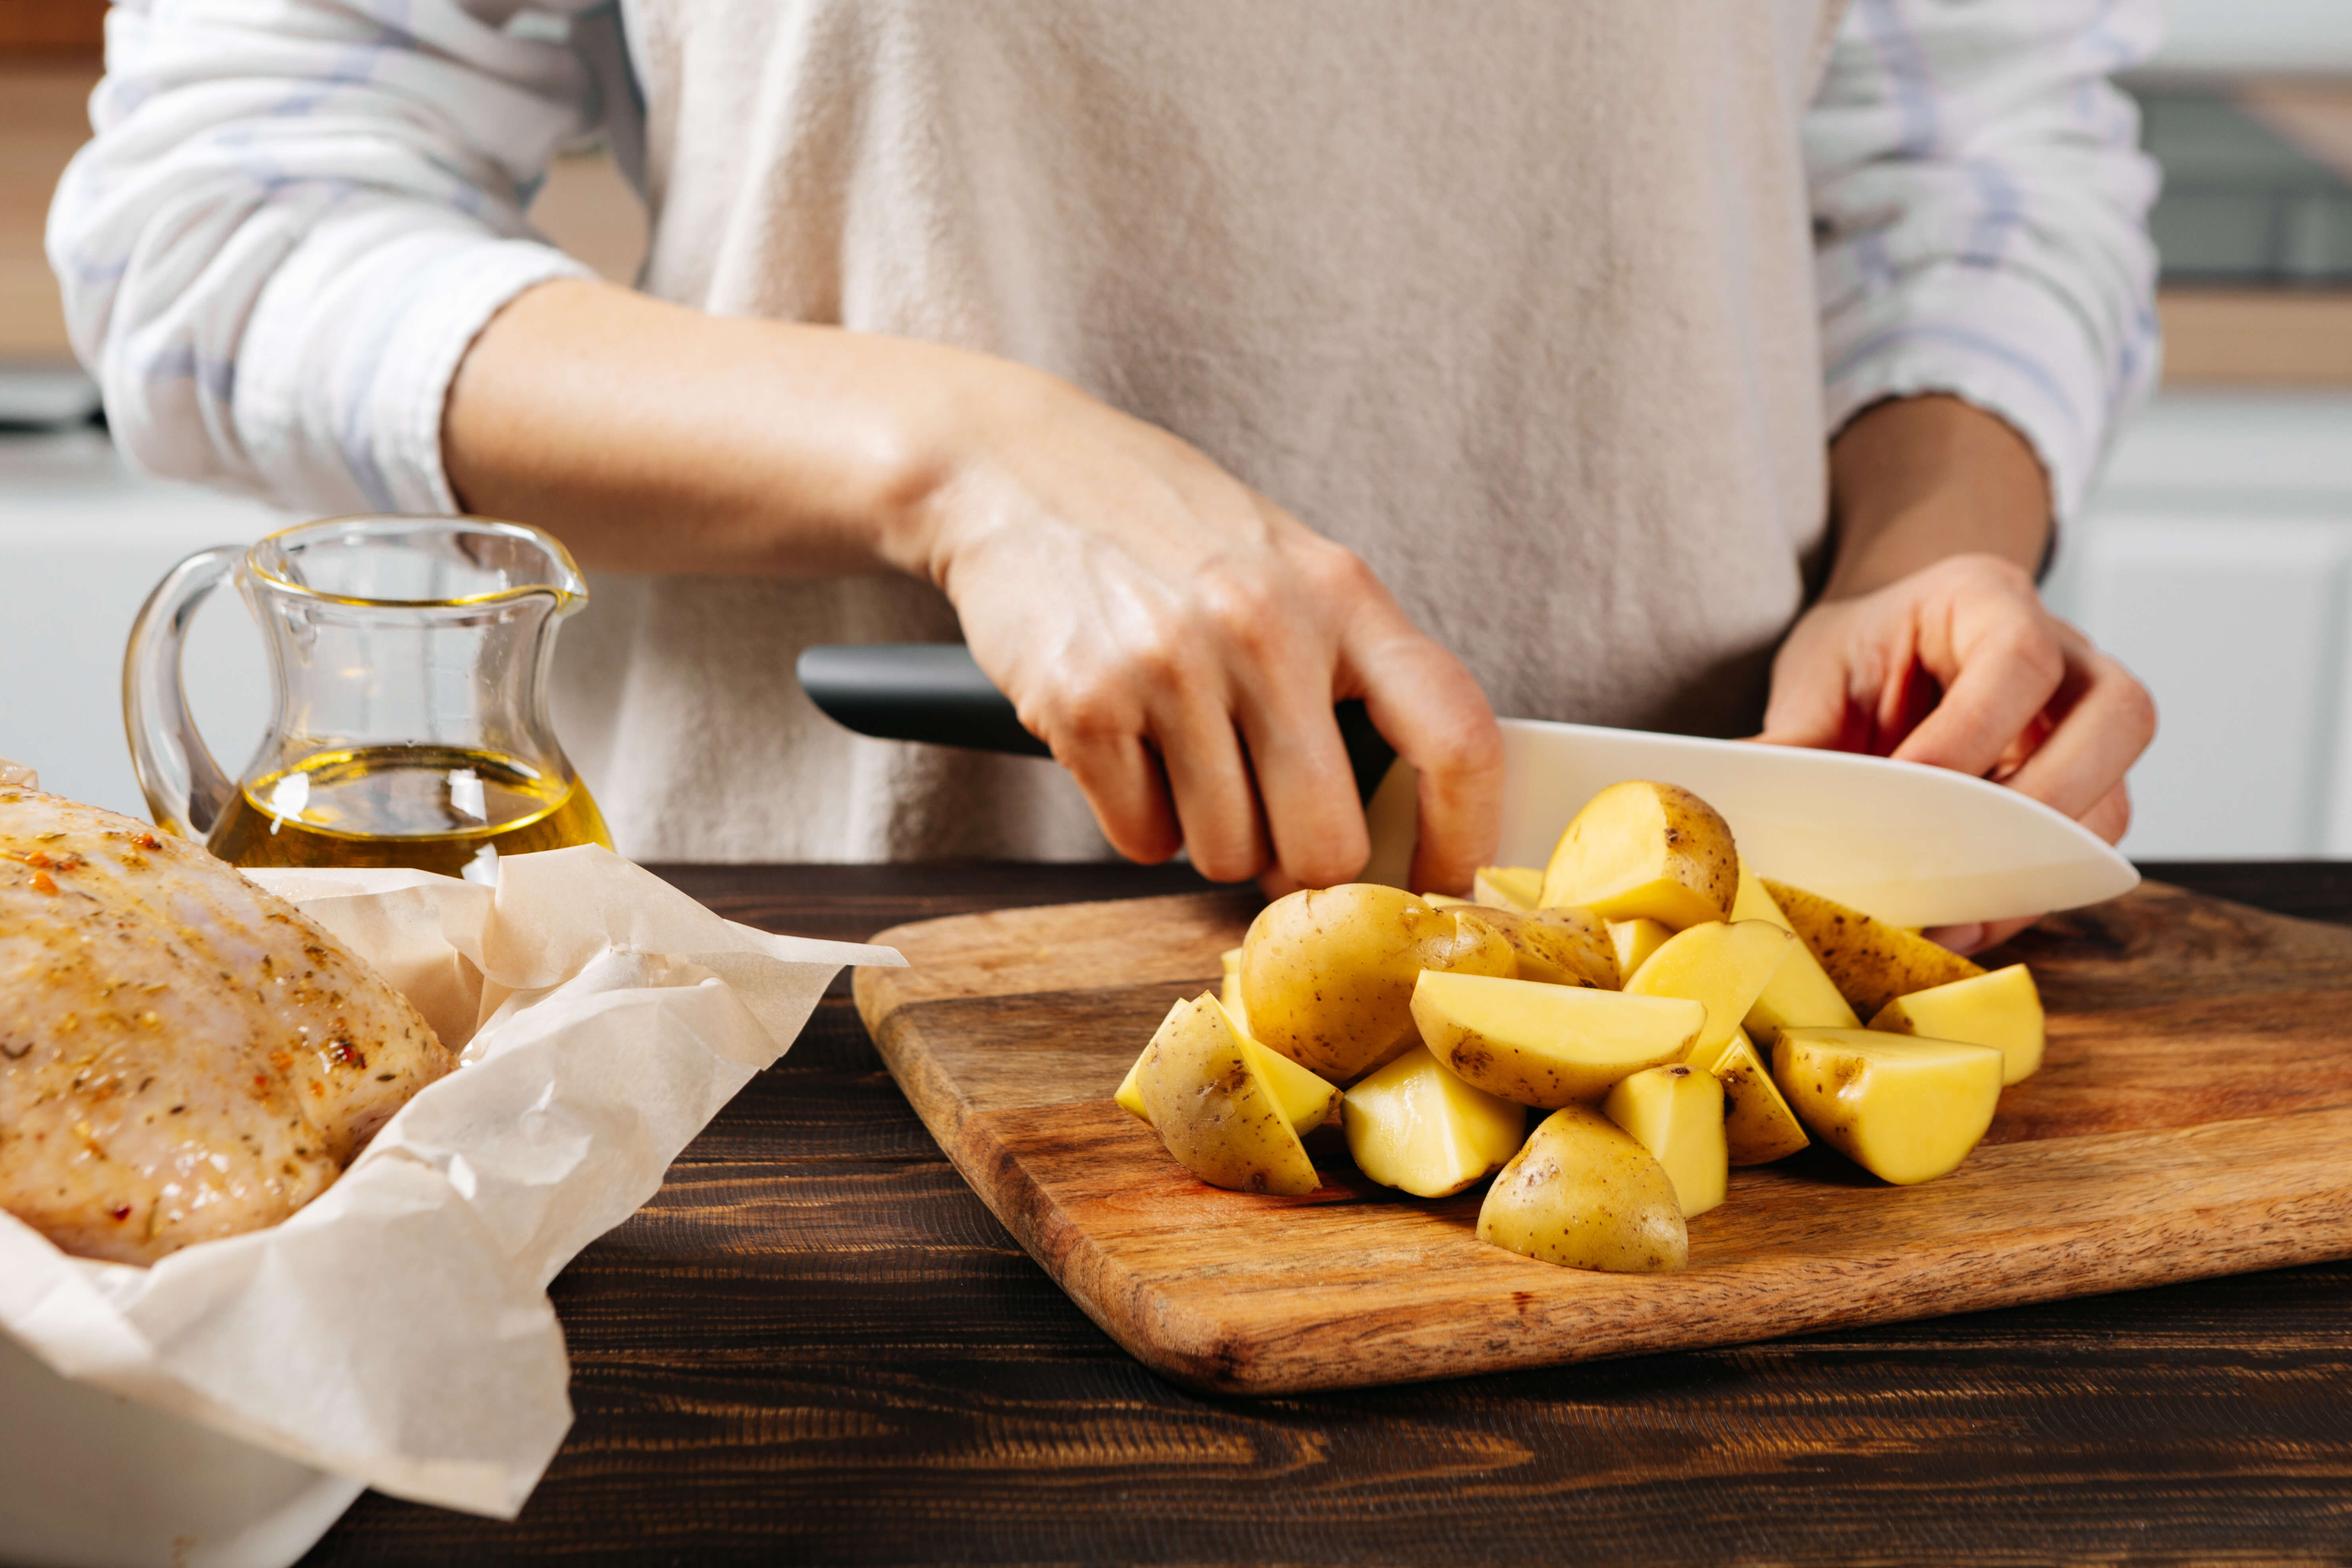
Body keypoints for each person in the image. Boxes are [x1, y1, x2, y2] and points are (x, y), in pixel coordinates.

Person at [52, 0, 2158, 948]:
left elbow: (1978, 179)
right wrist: (960, 459)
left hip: (1708, 991)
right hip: (816, 1002)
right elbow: (221, 225)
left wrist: (1933, 548)